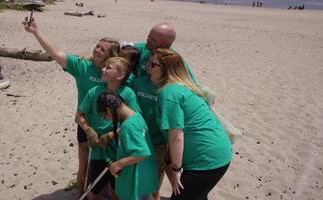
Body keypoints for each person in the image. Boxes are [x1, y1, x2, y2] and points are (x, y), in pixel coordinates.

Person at [22, 17, 120, 198]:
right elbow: (55, 53)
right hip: (84, 124)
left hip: (109, 129)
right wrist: (36, 32)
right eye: (97, 46)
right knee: (83, 164)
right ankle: (81, 193)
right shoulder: (81, 66)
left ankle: (107, 190)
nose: (97, 50)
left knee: (111, 163)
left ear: (111, 56)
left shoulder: (116, 71)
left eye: (102, 49)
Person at [149, 48, 232, 200]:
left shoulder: (169, 93)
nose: (148, 68)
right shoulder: (183, 86)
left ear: (165, 70)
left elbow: (176, 136)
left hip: (206, 161)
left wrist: (176, 170)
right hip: (220, 154)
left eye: (152, 65)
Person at [133, 23, 198, 200]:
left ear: (165, 46)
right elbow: (122, 47)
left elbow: (192, 89)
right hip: (142, 130)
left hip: (164, 131)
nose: (147, 40)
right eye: (148, 35)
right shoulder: (143, 48)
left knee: (160, 167)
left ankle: (156, 194)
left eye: (152, 39)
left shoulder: (175, 61)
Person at [77, 57, 147, 200]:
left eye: (108, 67)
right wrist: (89, 131)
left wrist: (111, 135)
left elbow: (134, 119)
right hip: (98, 147)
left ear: (120, 75)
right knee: (94, 188)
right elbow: (80, 114)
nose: (102, 69)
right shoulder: (94, 91)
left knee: (117, 188)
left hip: (118, 147)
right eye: (104, 66)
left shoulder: (128, 93)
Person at [96, 91, 158, 200]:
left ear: (109, 109)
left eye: (105, 115)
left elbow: (142, 152)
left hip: (134, 183)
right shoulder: (137, 116)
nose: (107, 119)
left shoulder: (128, 127)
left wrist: (118, 164)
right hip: (144, 178)